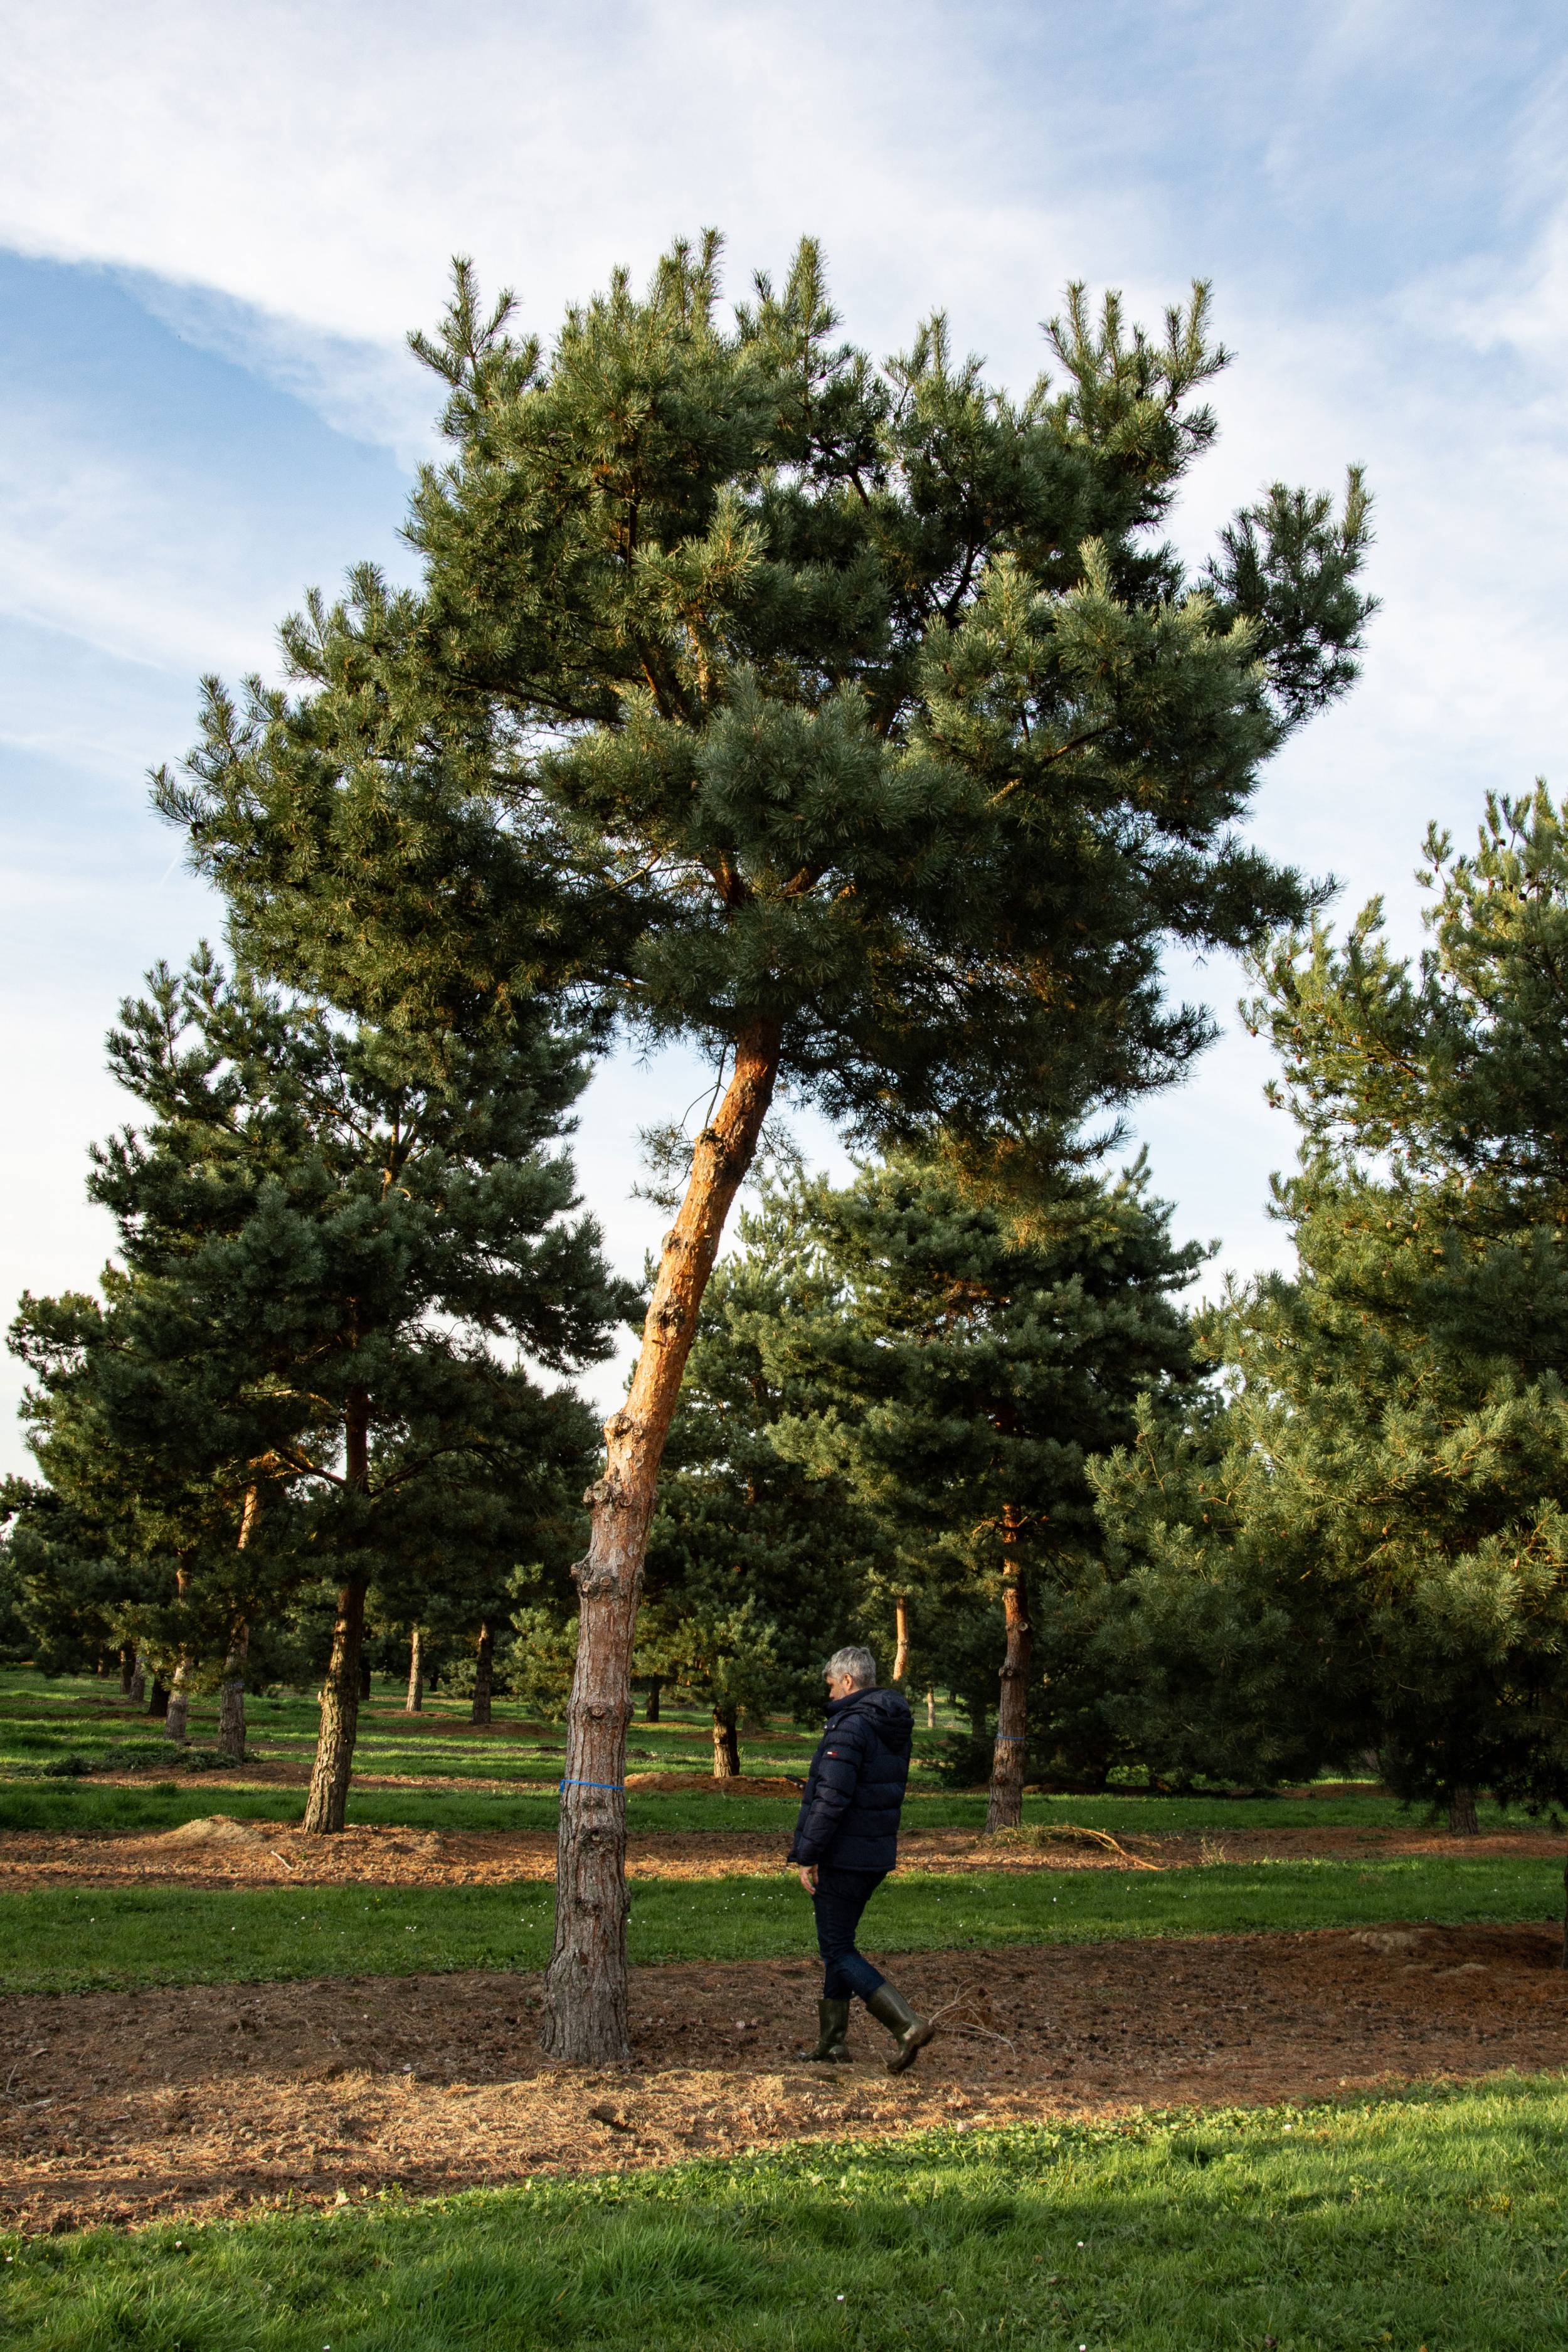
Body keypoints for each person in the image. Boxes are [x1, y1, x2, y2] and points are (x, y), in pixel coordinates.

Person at [788, 1644, 936, 2072]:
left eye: (832, 1685)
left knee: (836, 1949)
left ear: (848, 1681)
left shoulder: (849, 1727)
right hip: (873, 1852)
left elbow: (831, 1799)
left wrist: (807, 1854)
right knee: (841, 1944)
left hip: (844, 1855)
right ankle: (832, 2043)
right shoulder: (889, 1723)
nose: (830, 1694)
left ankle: (906, 2024)